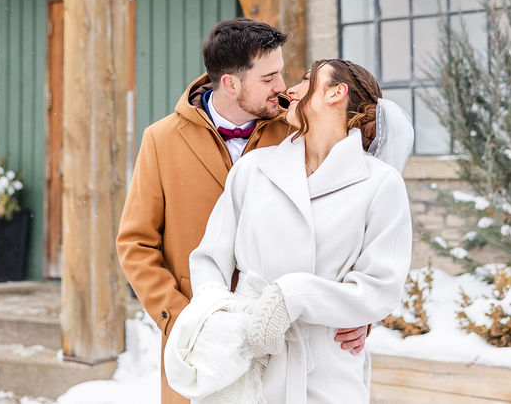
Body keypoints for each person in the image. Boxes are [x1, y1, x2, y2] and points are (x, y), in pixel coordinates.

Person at [116, 20, 369, 404]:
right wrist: (182, 318)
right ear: (231, 84)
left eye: (281, 72)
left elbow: (347, 222)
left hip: (285, 342)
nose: (282, 87)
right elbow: (136, 243)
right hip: (199, 342)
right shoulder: (160, 140)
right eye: (269, 77)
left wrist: (358, 311)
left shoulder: (298, 133)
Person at [164, 59, 414, 404]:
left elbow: (379, 288)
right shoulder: (254, 169)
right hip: (244, 364)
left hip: (325, 370)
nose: (289, 90)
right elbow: (210, 258)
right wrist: (220, 318)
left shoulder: (380, 185)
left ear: (336, 93)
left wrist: (294, 296)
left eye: (307, 80)